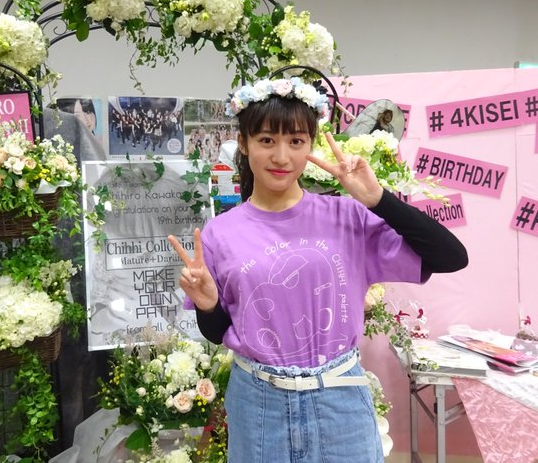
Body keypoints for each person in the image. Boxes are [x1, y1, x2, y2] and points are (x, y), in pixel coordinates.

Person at [168, 77, 468, 462]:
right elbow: (217, 332)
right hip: (259, 405)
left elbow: (451, 257)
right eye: (266, 140)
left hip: (339, 400)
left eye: (296, 141)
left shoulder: (347, 217)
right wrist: (209, 305)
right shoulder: (219, 233)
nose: (281, 157)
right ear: (243, 143)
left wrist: (378, 199)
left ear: (310, 144)